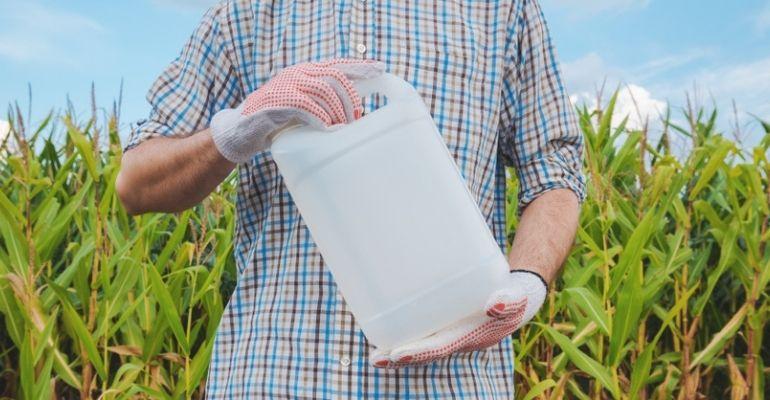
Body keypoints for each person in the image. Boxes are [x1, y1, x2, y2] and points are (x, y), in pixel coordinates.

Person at [116, 0, 585, 398]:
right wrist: (239, 129)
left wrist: (528, 283)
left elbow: (554, 173)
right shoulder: (249, 12)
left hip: (450, 381)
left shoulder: (501, 10)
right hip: (272, 378)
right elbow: (135, 183)